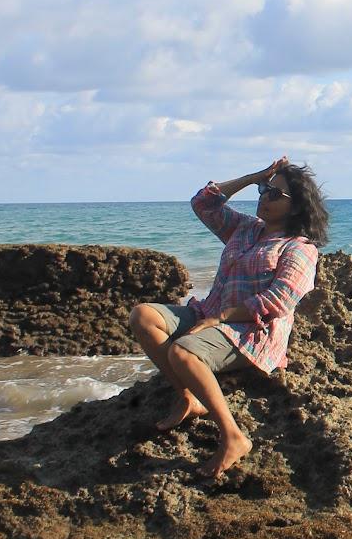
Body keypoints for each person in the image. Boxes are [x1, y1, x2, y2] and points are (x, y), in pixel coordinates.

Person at [127, 156, 329, 478]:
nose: (264, 196)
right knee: (143, 316)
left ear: (296, 207)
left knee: (183, 351)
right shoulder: (245, 228)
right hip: (207, 314)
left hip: (251, 332)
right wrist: (255, 177)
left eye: (275, 194)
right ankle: (188, 397)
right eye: (264, 190)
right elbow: (203, 202)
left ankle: (233, 437)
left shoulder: (300, 248)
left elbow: (278, 301)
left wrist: (222, 317)